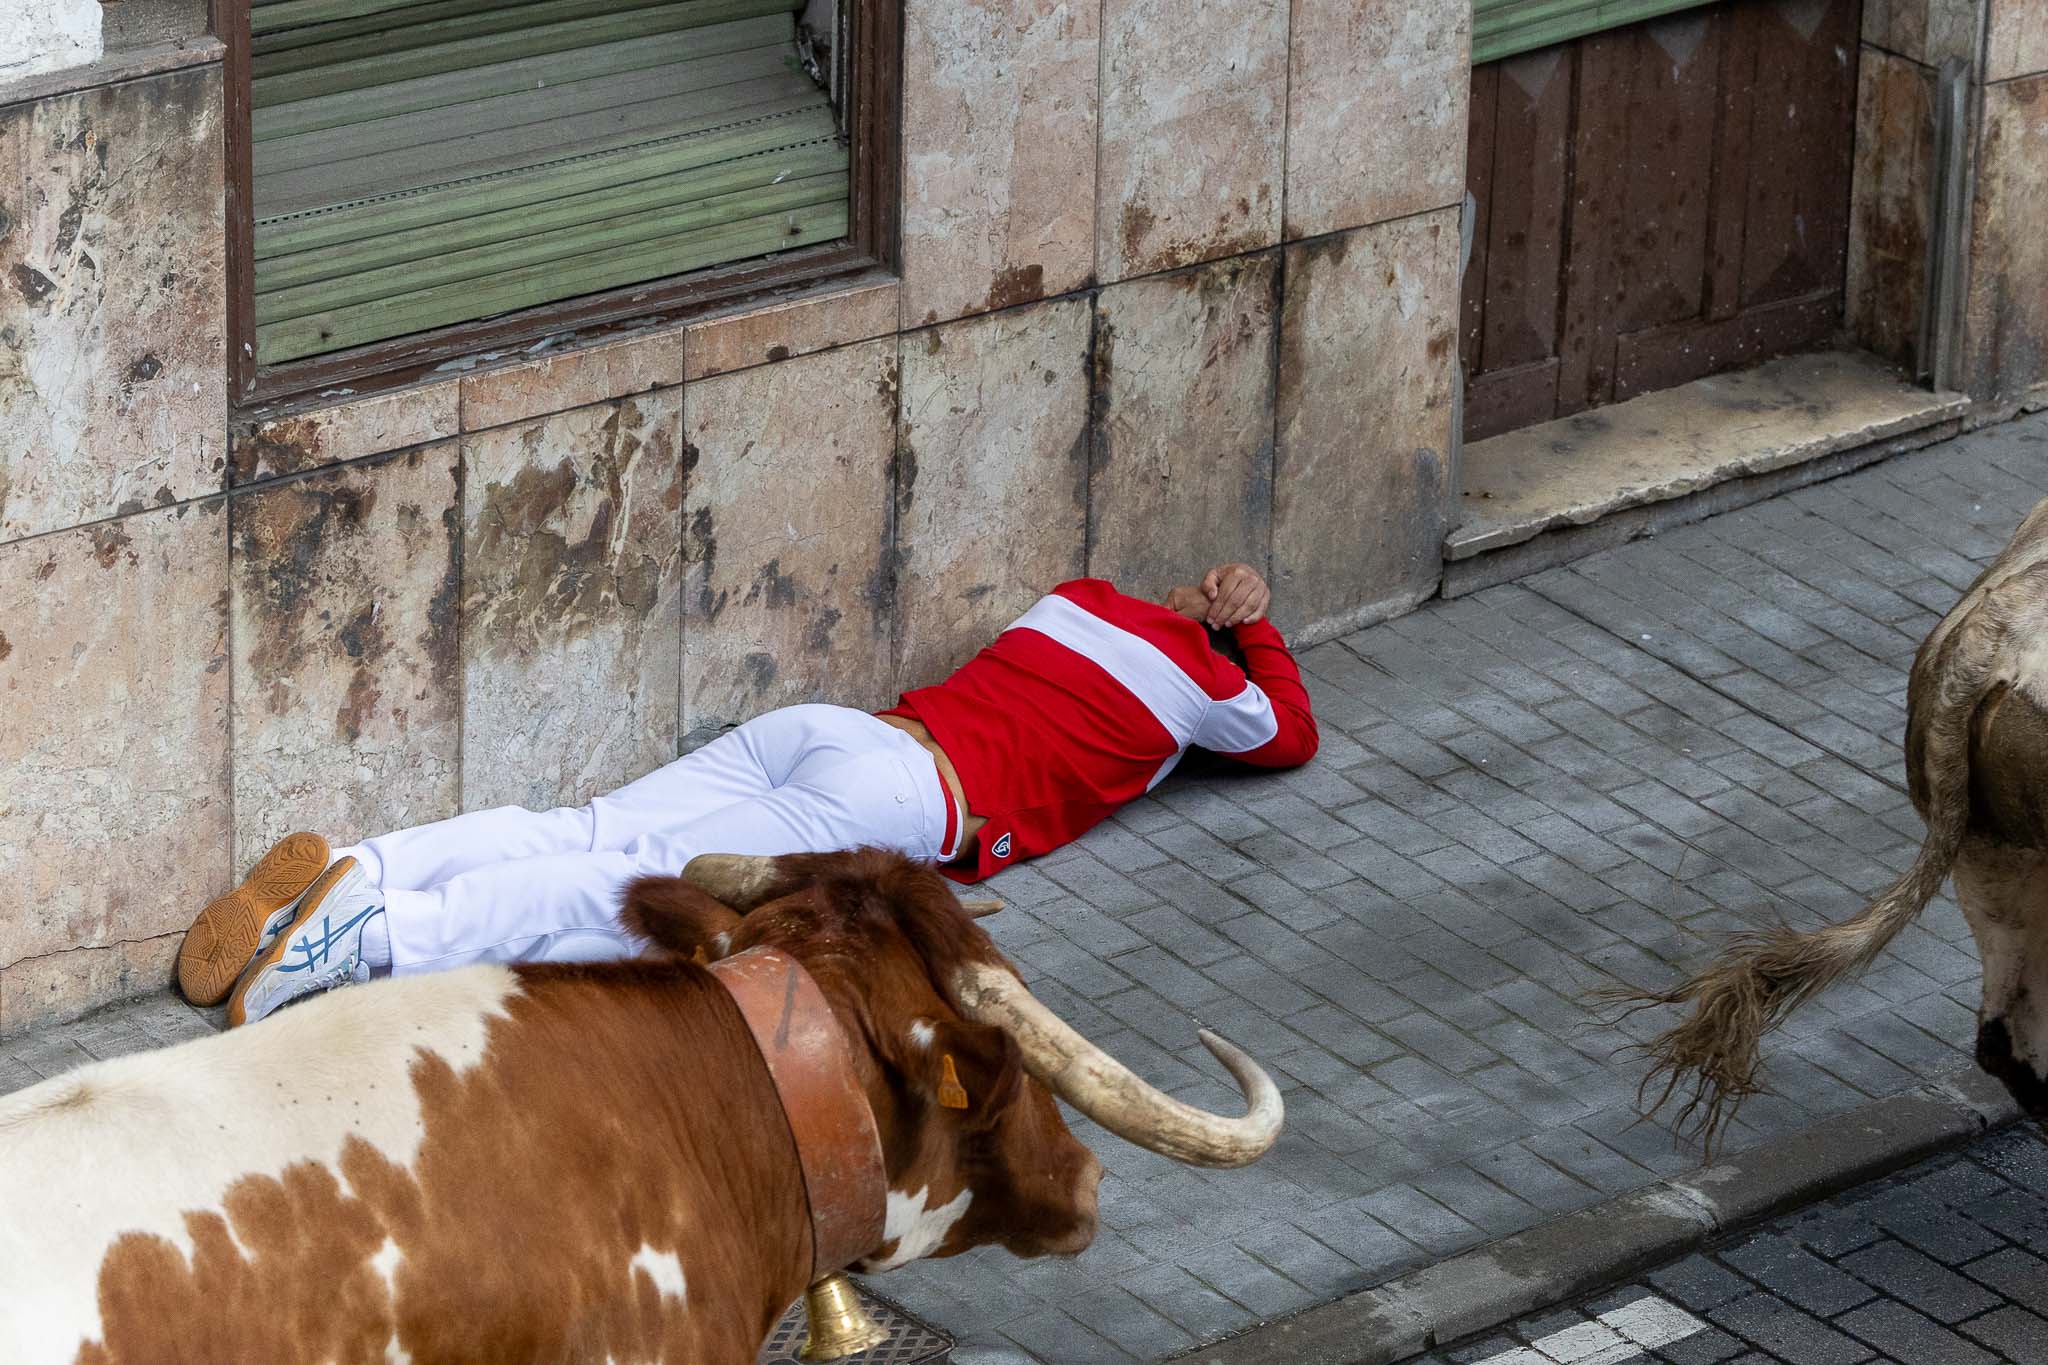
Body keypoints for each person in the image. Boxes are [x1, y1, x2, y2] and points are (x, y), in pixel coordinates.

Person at [182, 562, 1318, 1027]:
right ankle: (374, 936)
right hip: (910, 800)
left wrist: (1202, 599)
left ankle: (369, 864)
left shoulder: (1078, 599)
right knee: (640, 890)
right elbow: (1288, 735)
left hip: (836, 730)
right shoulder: (1202, 688)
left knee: (595, 827)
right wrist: (1250, 622)